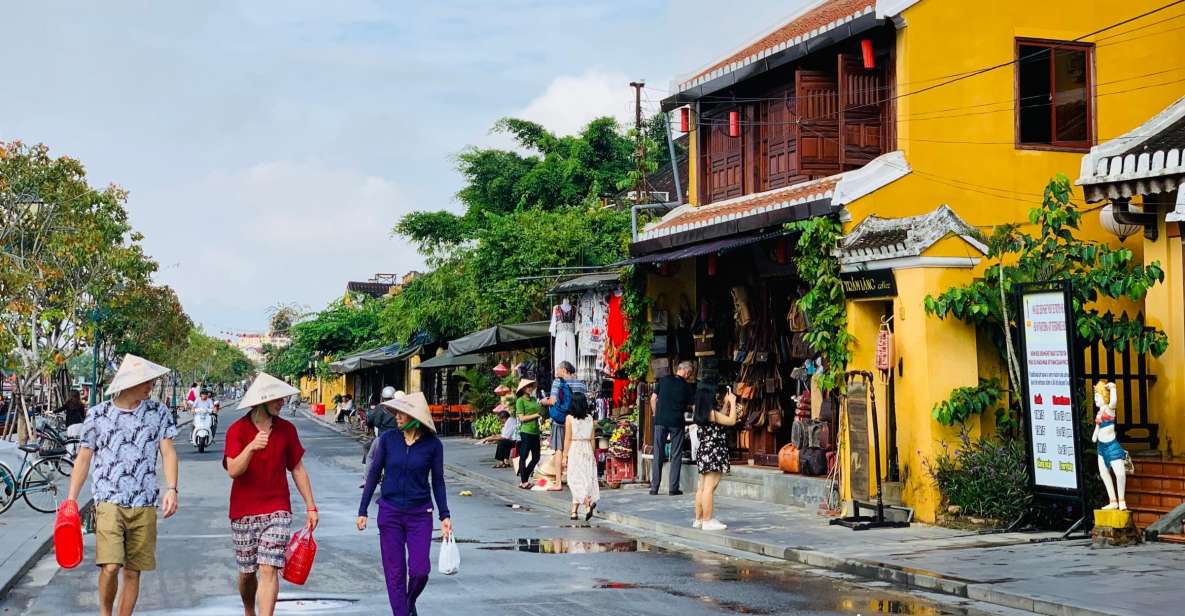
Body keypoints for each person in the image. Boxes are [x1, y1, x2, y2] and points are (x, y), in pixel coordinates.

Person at [65, 354, 179, 616]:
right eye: (146, 381)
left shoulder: (157, 412)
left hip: (145, 502)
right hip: (108, 500)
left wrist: (172, 488)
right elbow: (84, 458)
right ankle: (106, 612)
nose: (150, 386)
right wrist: (71, 499)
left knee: (132, 570)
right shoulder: (98, 415)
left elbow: (168, 452)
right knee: (111, 566)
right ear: (129, 383)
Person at [224, 373, 319, 616]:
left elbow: (297, 468)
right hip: (243, 510)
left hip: (278, 508)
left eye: (284, 398)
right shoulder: (237, 430)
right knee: (247, 573)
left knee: (269, 568)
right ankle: (249, 609)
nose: (283, 402)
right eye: (277, 398)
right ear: (262, 401)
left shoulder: (287, 429)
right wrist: (251, 447)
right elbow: (234, 470)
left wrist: (311, 506)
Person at [357, 392, 452, 616]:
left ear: (415, 417)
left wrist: (444, 515)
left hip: (420, 514)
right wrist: (362, 510)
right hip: (389, 513)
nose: (397, 417)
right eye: (396, 412)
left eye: (402, 413)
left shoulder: (433, 446)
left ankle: (407, 606)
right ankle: (401, 612)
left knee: (420, 571)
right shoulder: (388, 440)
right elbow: (373, 475)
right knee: (395, 573)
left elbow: (437, 481)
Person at [694, 387, 738, 531]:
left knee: (702, 488)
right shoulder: (711, 413)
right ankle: (708, 520)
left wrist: (726, 404)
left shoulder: (701, 413)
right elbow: (731, 421)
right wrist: (733, 401)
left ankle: (699, 519)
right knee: (709, 488)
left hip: (704, 451)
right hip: (714, 452)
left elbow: (721, 419)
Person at [649, 361, 695, 496]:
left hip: (660, 421)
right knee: (675, 454)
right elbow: (693, 407)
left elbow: (653, 399)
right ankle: (673, 488)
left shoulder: (663, 380)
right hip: (676, 422)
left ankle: (654, 488)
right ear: (686, 372)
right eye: (690, 374)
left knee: (658, 453)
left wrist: (655, 414)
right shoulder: (687, 387)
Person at [542, 361, 584, 491]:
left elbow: (553, 401)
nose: (556, 371)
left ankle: (558, 482)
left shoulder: (558, 382)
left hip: (560, 421)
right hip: (576, 420)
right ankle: (575, 481)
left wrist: (543, 401)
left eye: (558, 368)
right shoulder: (581, 383)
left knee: (559, 450)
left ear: (564, 370)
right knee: (575, 450)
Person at [562, 390, 598, 521]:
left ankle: (587, 504)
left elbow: (567, 438)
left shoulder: (569, 418)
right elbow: (593, 439)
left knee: (574, 480)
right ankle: (574, 511)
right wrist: (592, 454)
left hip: (575, 448)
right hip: (587, 448)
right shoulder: (590, 418)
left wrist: (564, 456)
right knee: (585, 480)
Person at [362, 387, 403, 485]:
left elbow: (373, 421)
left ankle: (368, 480)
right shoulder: (401, 407)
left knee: (369, 453)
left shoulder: (381, 407)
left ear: (383, 397)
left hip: (382, 438)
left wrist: (369, 424)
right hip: (400, 439)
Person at [514, 379, 543, 489]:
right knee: (524, 456)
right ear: (523, 389)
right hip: (526, 431)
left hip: (535, 431)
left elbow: (540, 411)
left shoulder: (534, 399)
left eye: (531, 386)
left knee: (536, 457)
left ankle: (524, 477)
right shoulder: (520, 401)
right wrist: (536, 415)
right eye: (528, 387)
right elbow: (521, 418)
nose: (530, 388)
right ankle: (524, 481)